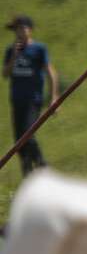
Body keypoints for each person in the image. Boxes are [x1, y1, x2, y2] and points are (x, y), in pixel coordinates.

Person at [4, 16, 55, 175]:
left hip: (33, 99)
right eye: (17, 29)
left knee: (28, 134)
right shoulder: (11, 50)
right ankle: (28, 174)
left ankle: (43, 166)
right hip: (16, 100)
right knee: (19, 141)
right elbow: (5, 74)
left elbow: (51, 73)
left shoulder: (39, 49)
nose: (20, 32)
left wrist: (54, 98)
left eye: (22, 28)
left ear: (29, 30)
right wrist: (14, 57)